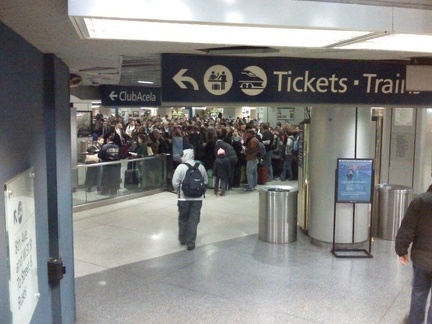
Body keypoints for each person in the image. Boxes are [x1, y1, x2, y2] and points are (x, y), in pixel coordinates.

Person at [395, 184, 432, 324]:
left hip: (422, 260)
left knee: (419, 294)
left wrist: (401, 250)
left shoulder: (420, 201)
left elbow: (407, 227)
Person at [172, 143, 208, 251]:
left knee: (183, 218)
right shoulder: (200, 167)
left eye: (182, 156)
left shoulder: (181, 167)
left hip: (183, 198)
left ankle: (182, 238)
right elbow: (205, 181)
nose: (181, 157)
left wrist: (179, 191)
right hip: (197, 199)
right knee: (194, 220)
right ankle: (191, 243)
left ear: (186, 156)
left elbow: (175, 183)